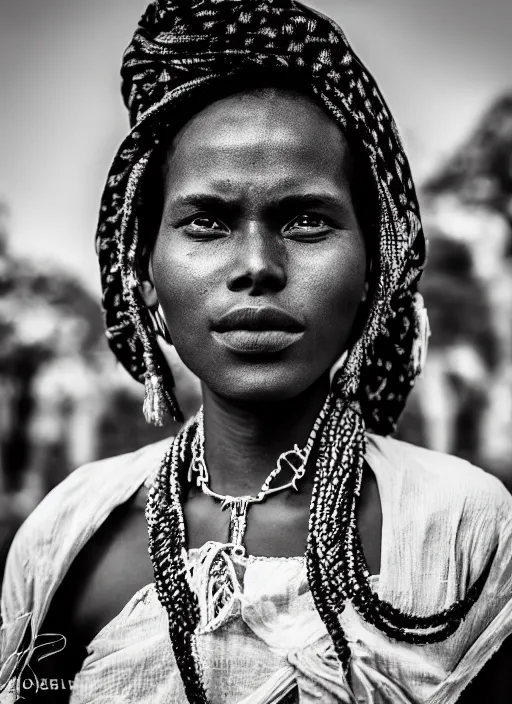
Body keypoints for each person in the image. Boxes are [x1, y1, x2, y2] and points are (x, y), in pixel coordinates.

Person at [1, 1, 512, 702]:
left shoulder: (462, 527)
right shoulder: (68, 536)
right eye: (206, 221)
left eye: (306, 219)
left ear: (374, 269)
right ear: (142, 268)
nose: (257, 265)